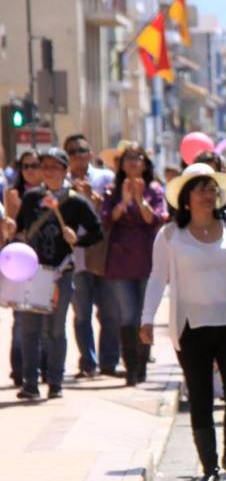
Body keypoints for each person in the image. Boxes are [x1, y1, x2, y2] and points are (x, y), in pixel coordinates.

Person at [140, 163, 226, 481]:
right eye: (200, 189)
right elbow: (157, 278)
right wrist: (146, 318)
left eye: (212, 189)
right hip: (191, 327)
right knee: (200, 395)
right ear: (186, 197)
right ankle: (209, 467)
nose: (208, 195)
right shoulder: (169, 234)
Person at [15, 148, 103, 400]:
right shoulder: (32, 198)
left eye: (56, 167)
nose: (50, 172)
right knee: (30, 329)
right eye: (46, 167)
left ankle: (55, 381)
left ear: (65, 171)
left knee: (55, 329)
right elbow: (20, 228)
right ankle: (30, 383)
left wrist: (78, 241)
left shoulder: (75, 201)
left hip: (61, 272)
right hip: (33, 272)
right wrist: (11, 227)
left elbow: (97, 232)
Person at [101, 144, 166, 386]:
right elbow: (107, 220)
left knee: (144, 314)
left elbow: (155, 218)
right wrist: (124, 200)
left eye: (138, 158)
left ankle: (142, 365)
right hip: (120, 260)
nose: (133, 162)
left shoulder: (155, 190)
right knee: (127, 314)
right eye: (128, 158)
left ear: (145, 164)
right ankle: (131, 368)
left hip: (148, 258)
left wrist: (139, 200)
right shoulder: (112, 190)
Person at [64, 134, 120, 379]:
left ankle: (109, 362)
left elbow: (113, 216)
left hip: (103, 254)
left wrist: (96, 202)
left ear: (90, 152)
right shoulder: (62, 183)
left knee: (110, 312)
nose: (78, 155)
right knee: (82, 314)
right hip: (76, 257)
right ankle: (88, 363)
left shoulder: (105, 178)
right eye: (73, 151)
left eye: (82, 150)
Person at [5, 149, 43, 386]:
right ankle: (20, 369)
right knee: (21, 318)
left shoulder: (49, 194)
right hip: (18, 261)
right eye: (25, 166)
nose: (29, 170)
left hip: (46, 262)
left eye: (34, 165)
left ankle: (45, 367)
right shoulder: (12, 193)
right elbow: (13, 228)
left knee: (45, 318)